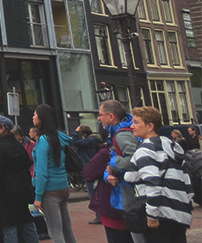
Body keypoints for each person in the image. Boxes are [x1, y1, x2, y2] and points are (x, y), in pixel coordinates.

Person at [124, 106, 193, 242]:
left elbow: (153, 184)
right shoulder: (173, 148)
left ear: (150, 126)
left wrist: (152, 215)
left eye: (136, 122)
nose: (132, 126)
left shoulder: (145, 150)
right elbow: (187, 183)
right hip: (179, 214)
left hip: (160, 215)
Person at [0, 116, 36, 243]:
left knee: (9, 225)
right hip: (23, 187)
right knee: (27, 222)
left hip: (6, 191)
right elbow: (27, 162)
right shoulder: (18, 144)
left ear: (3, 128)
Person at [32, 104, 77, 243]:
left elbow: (41, 171)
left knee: (55, 232)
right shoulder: (59, 137)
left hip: (50, 190)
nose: (33, 117)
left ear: (41, 118)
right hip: (63, 186)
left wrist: (38, 196)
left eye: (35, 115)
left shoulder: (43, 141)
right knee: (66, 228)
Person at [100, 100, 141, 238]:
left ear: (111, 116)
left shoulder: (122, 134)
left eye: (101, 115)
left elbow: (135, 159)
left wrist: (111, 168)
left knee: (137, 234)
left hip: (131, 192)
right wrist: (108, 174)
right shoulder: (119, 131)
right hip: (129, 190)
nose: (99, 118)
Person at [82, 146, 131, 243]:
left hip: (113, 207)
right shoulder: (141, 149)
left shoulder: (107, 153)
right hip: (139, 209)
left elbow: (88, 173)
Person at [70, 125, 103, 224]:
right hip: (93, 168)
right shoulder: (93, 140)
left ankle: (99, 216)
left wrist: (76, 132)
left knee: (93, 193)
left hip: (89, 168)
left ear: (83, 134)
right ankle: (100, 215)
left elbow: (72, 141)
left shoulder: (88, 141)